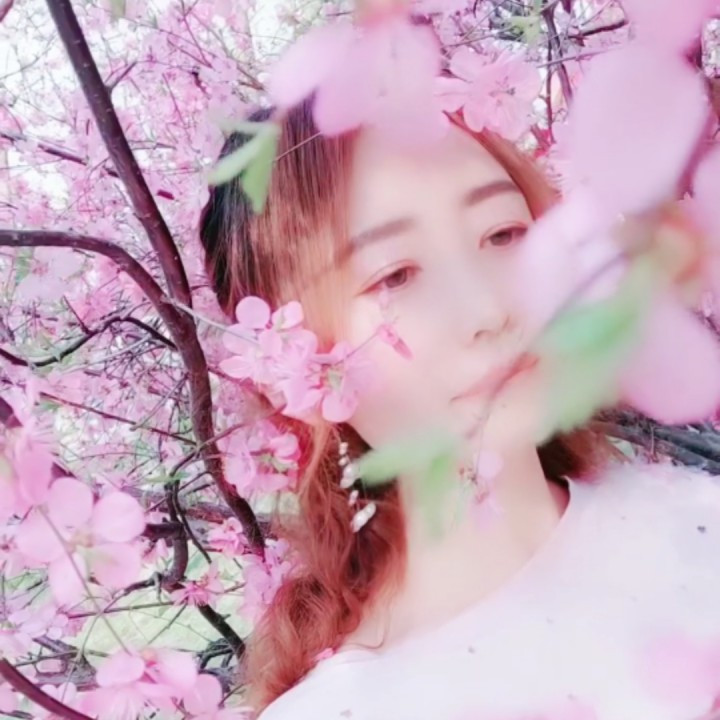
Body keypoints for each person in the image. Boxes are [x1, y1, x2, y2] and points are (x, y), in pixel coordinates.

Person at [199, 99, 720, 720]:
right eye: (394, 275)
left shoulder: (698, 520)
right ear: (288, 362)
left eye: (504, 234)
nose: (489, 310)